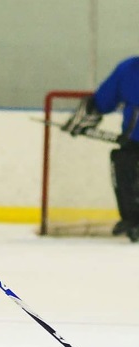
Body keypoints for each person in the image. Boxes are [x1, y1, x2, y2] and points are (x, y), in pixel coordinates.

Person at [61, 56, 139, 242]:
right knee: (122, 162)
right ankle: (133, 219)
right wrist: (87, 115)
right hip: (134, 143)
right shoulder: (128, 70)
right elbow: (104, 99)